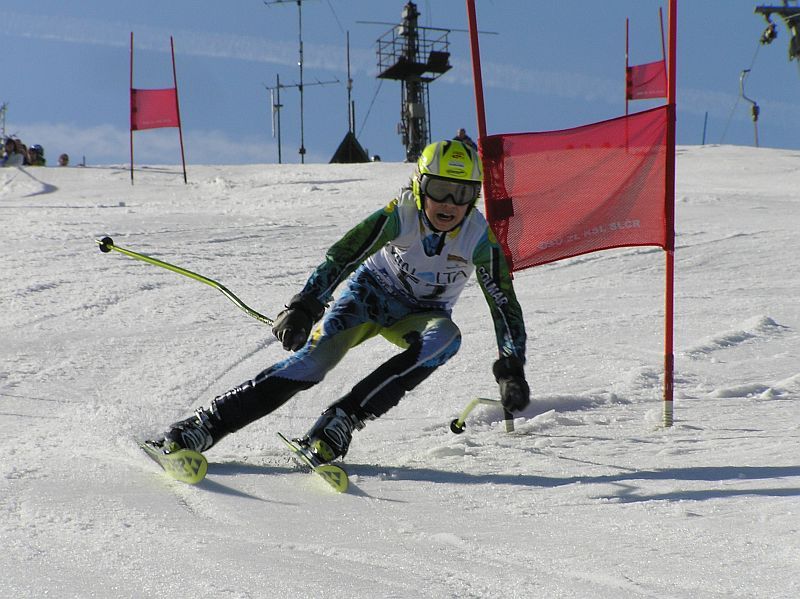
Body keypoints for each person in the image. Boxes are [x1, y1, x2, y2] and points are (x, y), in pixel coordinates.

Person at [150, 139, 529, 465]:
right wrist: (305, 306)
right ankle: (205, 425)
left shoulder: (478, 238)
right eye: (440, 189)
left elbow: (503, 304)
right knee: (313, 363)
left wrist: (511, 369)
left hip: (420, 316)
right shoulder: (402, 215)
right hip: (368, 298)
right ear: (419, 187)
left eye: (462, 193)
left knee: (446, 338)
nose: (449, 203)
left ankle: (341, 421)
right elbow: (345, 255)